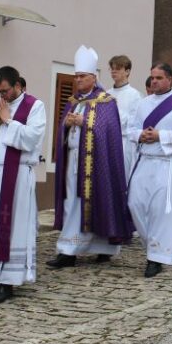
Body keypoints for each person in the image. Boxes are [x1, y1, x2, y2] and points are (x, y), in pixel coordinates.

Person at [48, 46, 132, 269]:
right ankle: (69, 250)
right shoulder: (73, 101)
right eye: (76, 76)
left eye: (82, 76)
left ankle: (100, 248)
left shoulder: (106, 101)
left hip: (97, 164)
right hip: (74, 161)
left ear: (93, 78)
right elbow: (62, 132)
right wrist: (65, 126)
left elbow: (108, 130)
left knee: (99, 202)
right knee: (72, 205)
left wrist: (84, 123)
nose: (78, 80)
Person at [0, 66, 46, 304]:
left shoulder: (35, 106)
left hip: (18, 176)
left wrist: (8, 122)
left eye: (5, 90)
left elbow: (33, 138)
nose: (2, 95)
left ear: (17, 85)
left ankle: (8, 282)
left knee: (13, 228)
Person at [127, 63, 172, 277]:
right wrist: (141, 135)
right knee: (135, 203)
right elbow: (130, 128)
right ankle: (155, 246)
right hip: (145, 160)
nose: (154, 81)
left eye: (158, 78)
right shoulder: (143, 103)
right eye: (152, 78)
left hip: (167, 164)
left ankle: (155, 259)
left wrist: (160, 136)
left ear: (169, 79)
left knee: (160, 210)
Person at [105, 55, 142, 180]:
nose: (114, 71)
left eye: (118, 68)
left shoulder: (135, 96)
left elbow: (132, 124)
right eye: (112, 68)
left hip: (124, 145)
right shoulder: (106, 94)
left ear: (127, 71)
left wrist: (114, 106)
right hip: (106, 143)